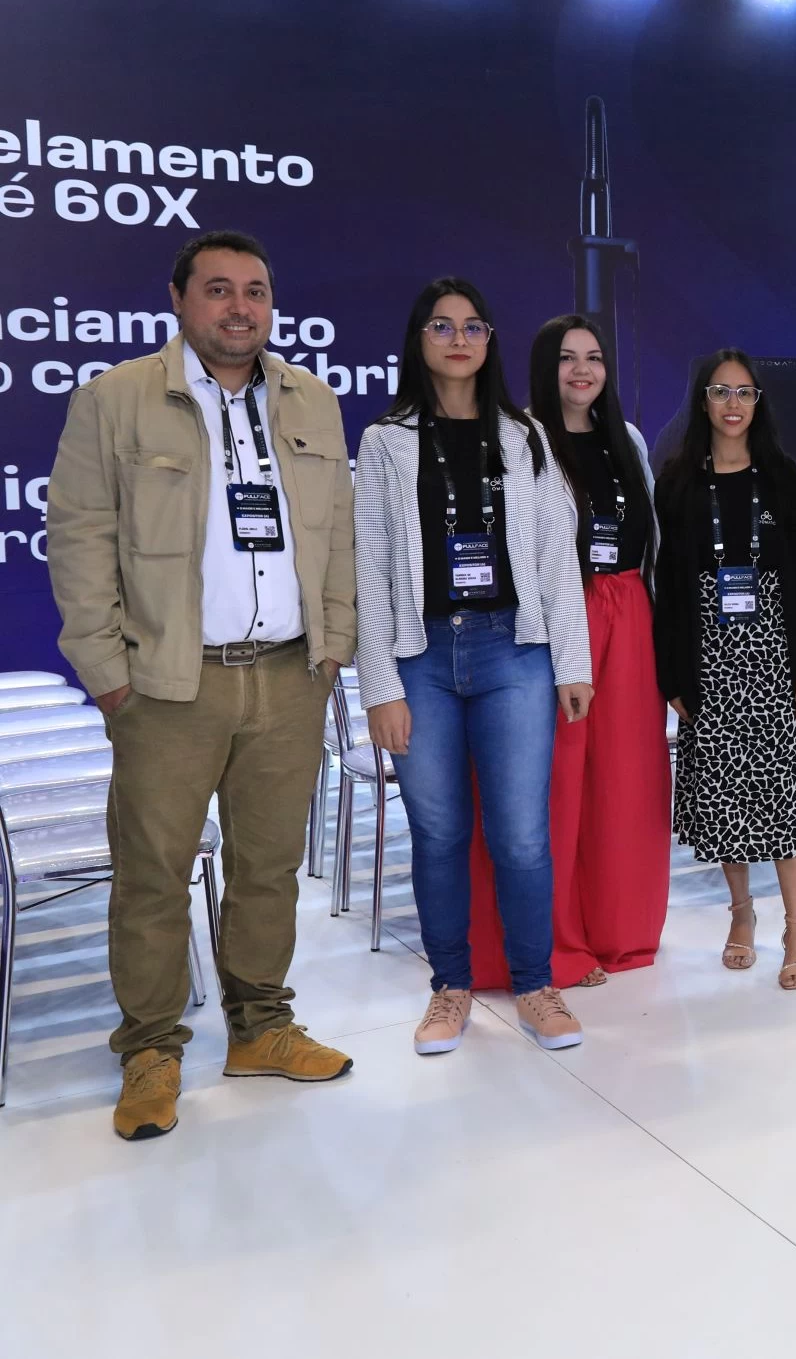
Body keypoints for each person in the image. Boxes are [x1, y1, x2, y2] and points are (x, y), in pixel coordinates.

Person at [49, 231, 357, 1141]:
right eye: (219, 289)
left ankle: (260, 1026)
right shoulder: (115, 399)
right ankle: (150, 1048)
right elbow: (78, 538)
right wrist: (110, 676)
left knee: (268, 867)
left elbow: (337, 533)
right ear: (179, 299)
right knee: (153, 876)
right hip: (168, 688)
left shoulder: (312, 400)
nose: (240, 307)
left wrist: (333, 646)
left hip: (288, 676)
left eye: (255, 291)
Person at [355, 278, 594, 1057]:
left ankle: (535, 985)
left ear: (490, 340)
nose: (459, 340)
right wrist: (380, 686)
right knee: (438, 831)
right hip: (421, 654)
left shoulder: (524, 436)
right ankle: (450, 986)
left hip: (512, 649)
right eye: (442, 326)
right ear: (418, 339)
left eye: (473, 327)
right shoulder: (386, 441)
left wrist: (572, 663)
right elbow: (369, 569)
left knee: (521, 834)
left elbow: (556, 557)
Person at [464, 317, 669, 991]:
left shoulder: (628, 438)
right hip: (557, 619)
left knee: (623, 781)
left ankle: (619, 929)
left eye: (595, 357)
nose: (583, 370)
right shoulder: (518, 439)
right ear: (542, 367)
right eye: (567, 358)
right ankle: (550, 943)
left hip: (629, 614)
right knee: (553, 785)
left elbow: (653, 541)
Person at [656, 350, 796, 989]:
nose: (733, 404)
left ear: (759, 402)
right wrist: (674, 675)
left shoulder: (783, 476)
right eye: (720, 391)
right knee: (724, 796)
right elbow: (668, 587)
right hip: (709, 658)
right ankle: (741, 913)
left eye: (744, 392)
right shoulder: (678, 481)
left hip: (776, 654)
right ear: (701, 400)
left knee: (783, 795)